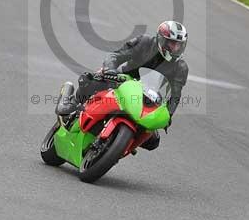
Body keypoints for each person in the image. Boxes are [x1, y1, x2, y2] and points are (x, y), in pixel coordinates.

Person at [57, 21, 189, 150]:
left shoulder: (181, 67)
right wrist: (109, 69)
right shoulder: (144, 42)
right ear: (161, 39)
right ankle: (72, 103)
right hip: (124, 79)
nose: (175, 48)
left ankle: (120, 145)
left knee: (153, 141)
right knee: (92, 80)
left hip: (148, 96)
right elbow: (116, 55)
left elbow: (175, 95)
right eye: (172, 43)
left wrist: (168, 116)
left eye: (179, 45)